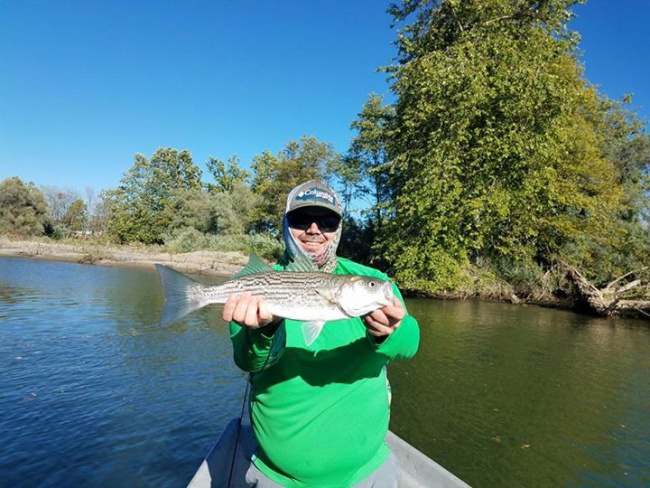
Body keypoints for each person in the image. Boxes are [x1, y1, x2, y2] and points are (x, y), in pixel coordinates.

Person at [223, 180, 420, 487]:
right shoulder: (257, 285)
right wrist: (265, 330)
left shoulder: (375, 281)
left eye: (327, 222)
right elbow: (248, 360)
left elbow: (409, 346)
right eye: (302, 220)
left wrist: (390, 333)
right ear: (286, 226)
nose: (314, 230)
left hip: (367, 472)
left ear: (338, 229)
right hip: (279, 476)